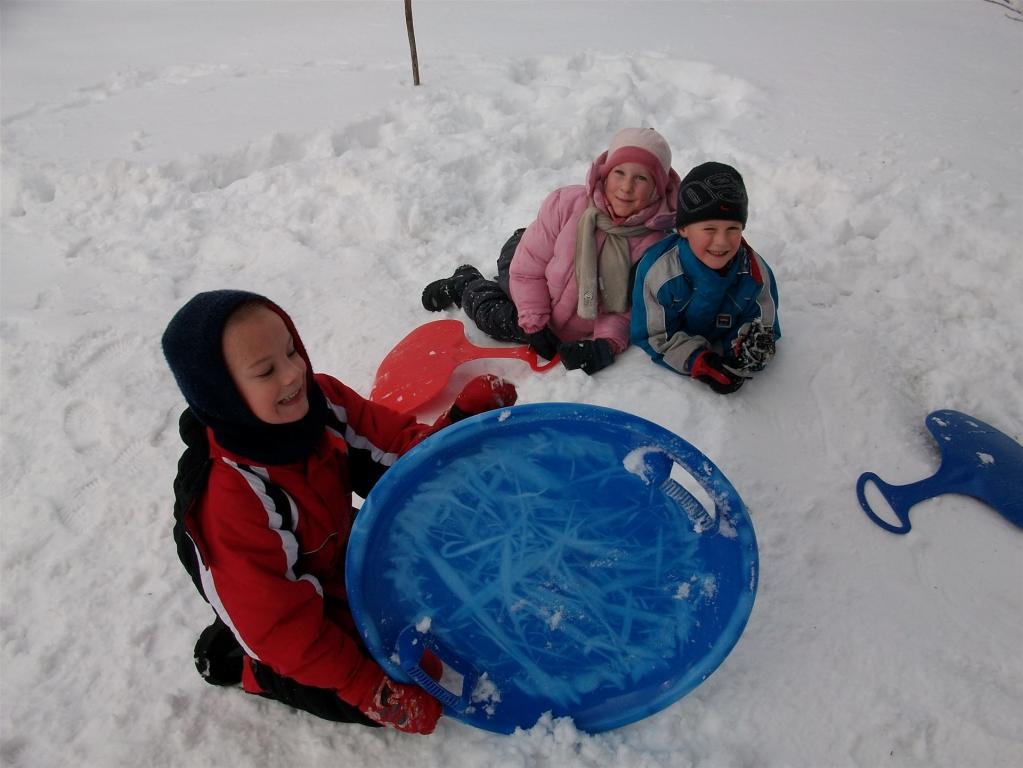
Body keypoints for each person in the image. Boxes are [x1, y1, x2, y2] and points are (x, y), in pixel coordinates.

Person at [161, 290, 517, 734]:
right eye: (266, 370)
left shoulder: (320, 401)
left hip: (330, 546)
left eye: (291, 350)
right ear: (223, 395)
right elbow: (281, 626)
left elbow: (391, 459)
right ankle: (254, 669)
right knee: (393, 671)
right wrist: (366, 689)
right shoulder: (232, 499)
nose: (294, 373)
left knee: (441, 595)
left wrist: (453, 431)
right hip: (272, 605)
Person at [421, 127, 681, 375]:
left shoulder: (655, 248)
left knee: (523, 261)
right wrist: (534, 320)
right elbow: (526, 270)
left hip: (562, 297)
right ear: (604, 173)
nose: (626, 187)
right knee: (494, 314)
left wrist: (605, 344)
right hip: (528, 275)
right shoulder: (566, 205)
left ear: (658, 188)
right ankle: (464, 283)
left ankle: (522, 241)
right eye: (619, 173)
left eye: (641, 178)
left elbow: (626, 309)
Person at [630, 161, 780, 393]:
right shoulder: (659, 272)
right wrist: (700, 361)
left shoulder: (754, 273)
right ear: (683, 229)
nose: (721, 241)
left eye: (733, 229)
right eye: (709, 229)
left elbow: (762, 320)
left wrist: (744, 347)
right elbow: (655, 333)